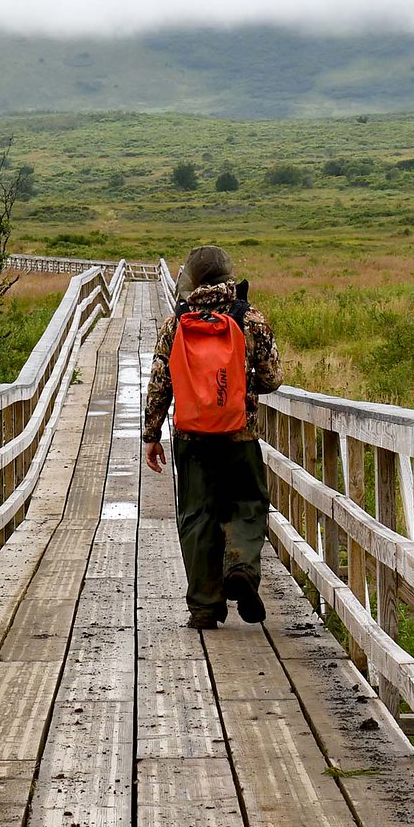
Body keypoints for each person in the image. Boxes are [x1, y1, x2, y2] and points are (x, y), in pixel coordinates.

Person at [142, 245, 282, 629]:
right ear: (227, 276)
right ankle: (239, 567)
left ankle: (204, 607)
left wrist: (152, 433)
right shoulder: (249, 317)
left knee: (197, 516)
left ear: (193, 279)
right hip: (239, 434)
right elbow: (272, 378)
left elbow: (160, 382)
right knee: (247, 505)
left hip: (191, 437)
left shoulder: (178, 322)